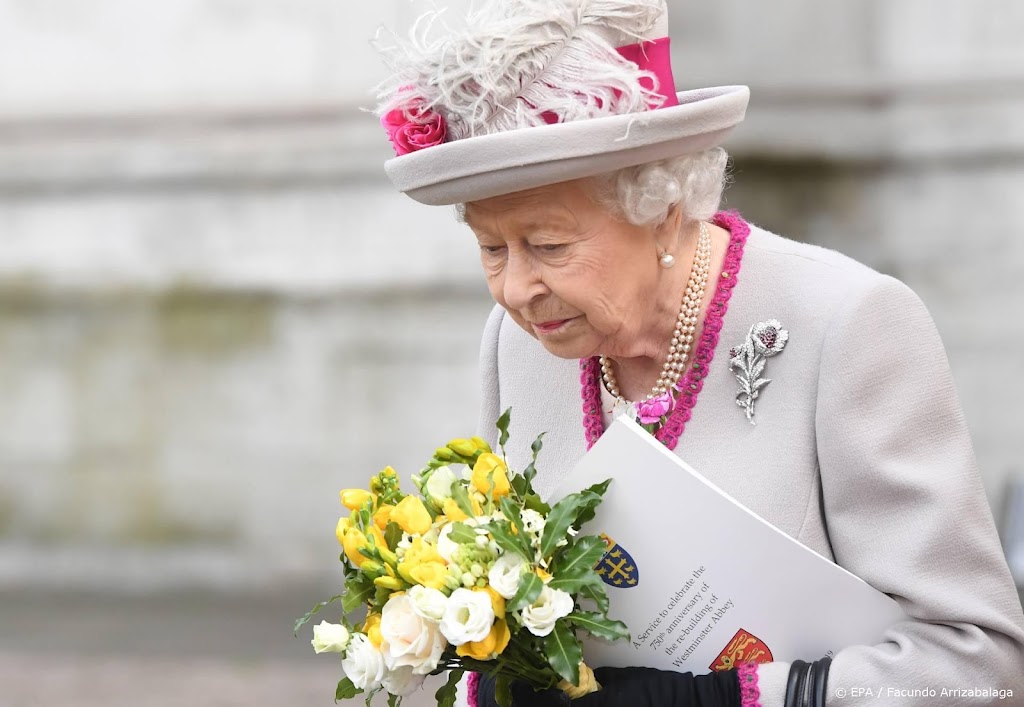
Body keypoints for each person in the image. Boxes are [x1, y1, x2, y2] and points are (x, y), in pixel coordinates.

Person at [372, 0, 1024, 705]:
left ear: (663, 210)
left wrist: (728, 697)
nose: (519, 288)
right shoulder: (515, 347)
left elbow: (978, 667)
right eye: (492, 249)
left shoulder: (848, 324)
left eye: (550, 245)